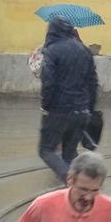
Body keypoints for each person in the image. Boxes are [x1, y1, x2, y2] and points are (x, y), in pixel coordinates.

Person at [39, 17, 99, 183]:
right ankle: (86, 182)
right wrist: (90, 108)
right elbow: (93, 82)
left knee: (46, 150)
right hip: (82, 110)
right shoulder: (84, 50)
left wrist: (46, 105)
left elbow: (48, 82)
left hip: (59, 110)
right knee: (69, 153)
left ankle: (71, 180)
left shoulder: (52, 51)